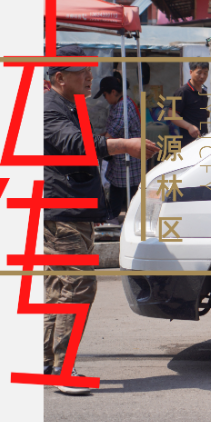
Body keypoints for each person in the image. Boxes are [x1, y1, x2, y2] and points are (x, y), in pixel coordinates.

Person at [43, 46, 158, 395]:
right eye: (81, 72)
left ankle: (49, 362)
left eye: (89, 70)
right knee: (78, 287)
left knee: (59, 288)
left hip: (72, 209)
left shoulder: (69, 104)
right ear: (59, 77)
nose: (89, 76)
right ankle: (64, 370)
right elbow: (74, 144)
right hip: (63, 210)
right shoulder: (49, 108)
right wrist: (124, 145)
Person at [96, 75, 148, 224]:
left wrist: (95, 142)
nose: (105, 99)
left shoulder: (122, 107)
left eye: (105, 95)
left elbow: (111, 134)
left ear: (113, 92)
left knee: (121, 190)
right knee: (124, 188)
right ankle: (126, 217)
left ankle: (116, 219)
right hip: (126, 157)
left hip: (128, 158)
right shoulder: (122, 103)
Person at [170, 61, 210, 143]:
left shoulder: (204, 92)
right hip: (188, 141)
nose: (202, 76)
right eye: (199, 73)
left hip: (202, 139)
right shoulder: (183, 92)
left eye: (205, 73)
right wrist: (189, 127)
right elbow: (171, 114)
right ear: (191, 72)